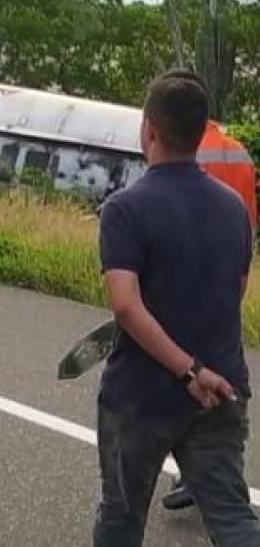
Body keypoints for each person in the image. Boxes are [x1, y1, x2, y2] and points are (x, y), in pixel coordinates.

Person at [93, 68, 260, 546]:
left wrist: (187, 371)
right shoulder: (233, 208)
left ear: (149, 128)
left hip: (143, 395)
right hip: (223, 386)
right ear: (200, 131)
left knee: (122, 519)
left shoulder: (125, 209)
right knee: (232, 519)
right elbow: (235, 288)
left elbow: (125, 306)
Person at [162, 80, 259, 512]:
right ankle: (214, 473)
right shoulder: (238, 152)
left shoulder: (182, 147)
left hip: (188, 271)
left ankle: (197, 475)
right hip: (229, 267)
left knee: (183, 371)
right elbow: (250, 219)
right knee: (221, 367)